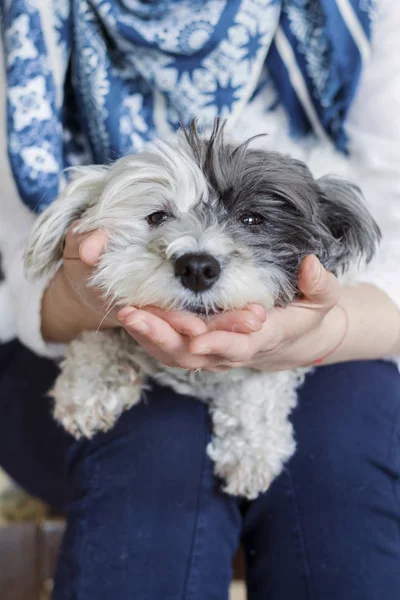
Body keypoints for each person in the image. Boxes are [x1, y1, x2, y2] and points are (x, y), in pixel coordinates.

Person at [1, 2, 400, 599]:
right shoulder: (27, 21)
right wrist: (86, 295)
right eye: (161, 216)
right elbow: (20, 277)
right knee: (158, 448)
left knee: (339, 447)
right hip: (54, 341)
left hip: (346, 325)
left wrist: (315, 334)